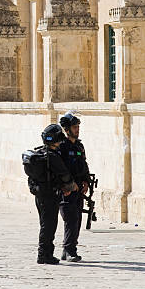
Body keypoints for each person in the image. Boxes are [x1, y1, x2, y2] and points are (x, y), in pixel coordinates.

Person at [30, 124, 78, 265]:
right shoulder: (52, 156)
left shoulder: (39, 154)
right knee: (49, 225)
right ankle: (44, 255)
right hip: (50, 196)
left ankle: (46, 253)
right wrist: (71, 186)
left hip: (40, 194)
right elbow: (64, 174)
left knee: (45, 224)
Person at [58, 111, 91, 262]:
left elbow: (84, 165)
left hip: (78, 189)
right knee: (70, 219)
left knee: (76, 220)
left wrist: (86, 181)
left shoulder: (79, 146)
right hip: (66, 190)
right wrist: (67, 186)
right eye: (74, 127)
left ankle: (69, 249)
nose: (77, 129)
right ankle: (69, 249)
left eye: (78, 126)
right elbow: (58, 169)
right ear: (67, 129)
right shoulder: (61, 147)